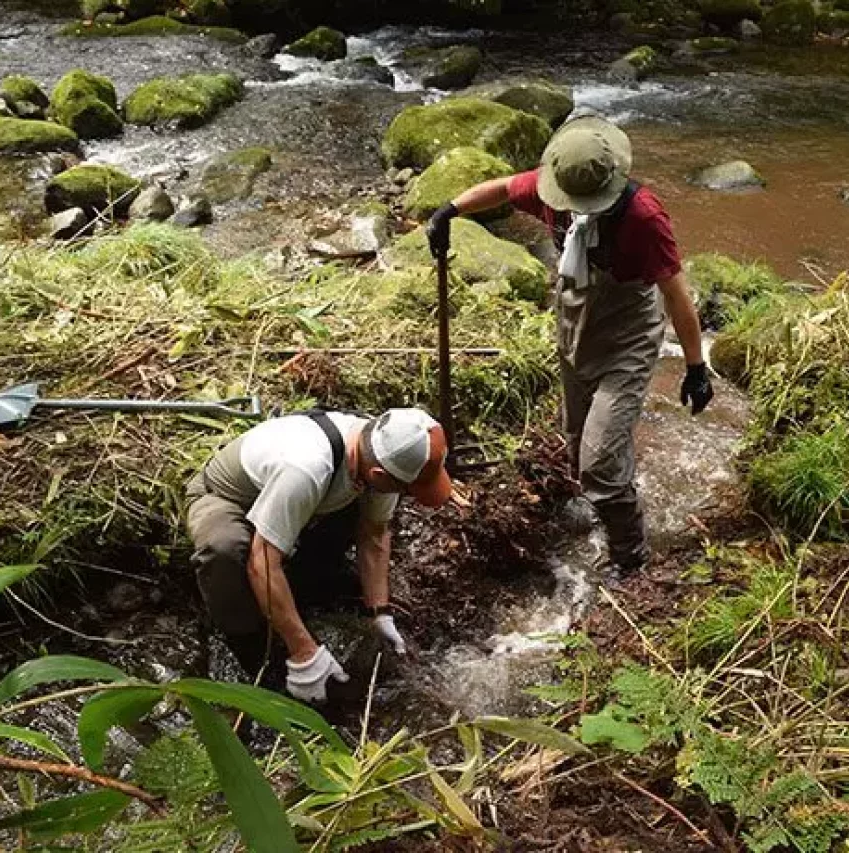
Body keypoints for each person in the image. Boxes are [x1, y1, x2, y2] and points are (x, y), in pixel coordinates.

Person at [426, 115, 713, 576]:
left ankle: (630, 557)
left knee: (598, 462)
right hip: (574, 328)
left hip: (627, 339)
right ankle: (611, 490)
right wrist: (449, 211)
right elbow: (501, 188)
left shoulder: (643, 217)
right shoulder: (549, 192)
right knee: (579, 441)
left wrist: (696, 367)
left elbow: (676, 294)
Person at [185, 407, 452, 702]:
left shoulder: (382, 452)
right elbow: (262, 561)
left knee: (351, 517)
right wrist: (303, 653)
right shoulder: (307, 468)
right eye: (408, 490)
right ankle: (252, 649)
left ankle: (304, 587)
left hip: (296, 500)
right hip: (228, 498)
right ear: (379, 474)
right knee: (224, 550)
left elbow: (374, 533)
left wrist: (379, 612)